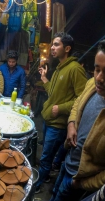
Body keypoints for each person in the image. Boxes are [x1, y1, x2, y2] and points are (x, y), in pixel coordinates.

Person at [50, 39, 105, 201]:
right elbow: (77, 103)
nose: (99, 78)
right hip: (67, 162)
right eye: (97, 70)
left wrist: (81, 184)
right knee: (54, 194)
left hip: (80, 180)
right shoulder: (91, 85)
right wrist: (71, 124)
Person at [35, 32, 88, 193]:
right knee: (46, 153)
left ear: (67, 48)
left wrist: (62, 108)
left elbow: (83, 98)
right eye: (52, 44)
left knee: (45, 158)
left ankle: (37, 186)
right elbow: (53, 92)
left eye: (56, 44)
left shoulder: (75, 69)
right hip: (49, 119)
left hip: (58, 124)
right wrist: (44, 78)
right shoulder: (59, 68)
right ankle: (44, 176)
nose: (52, 47)